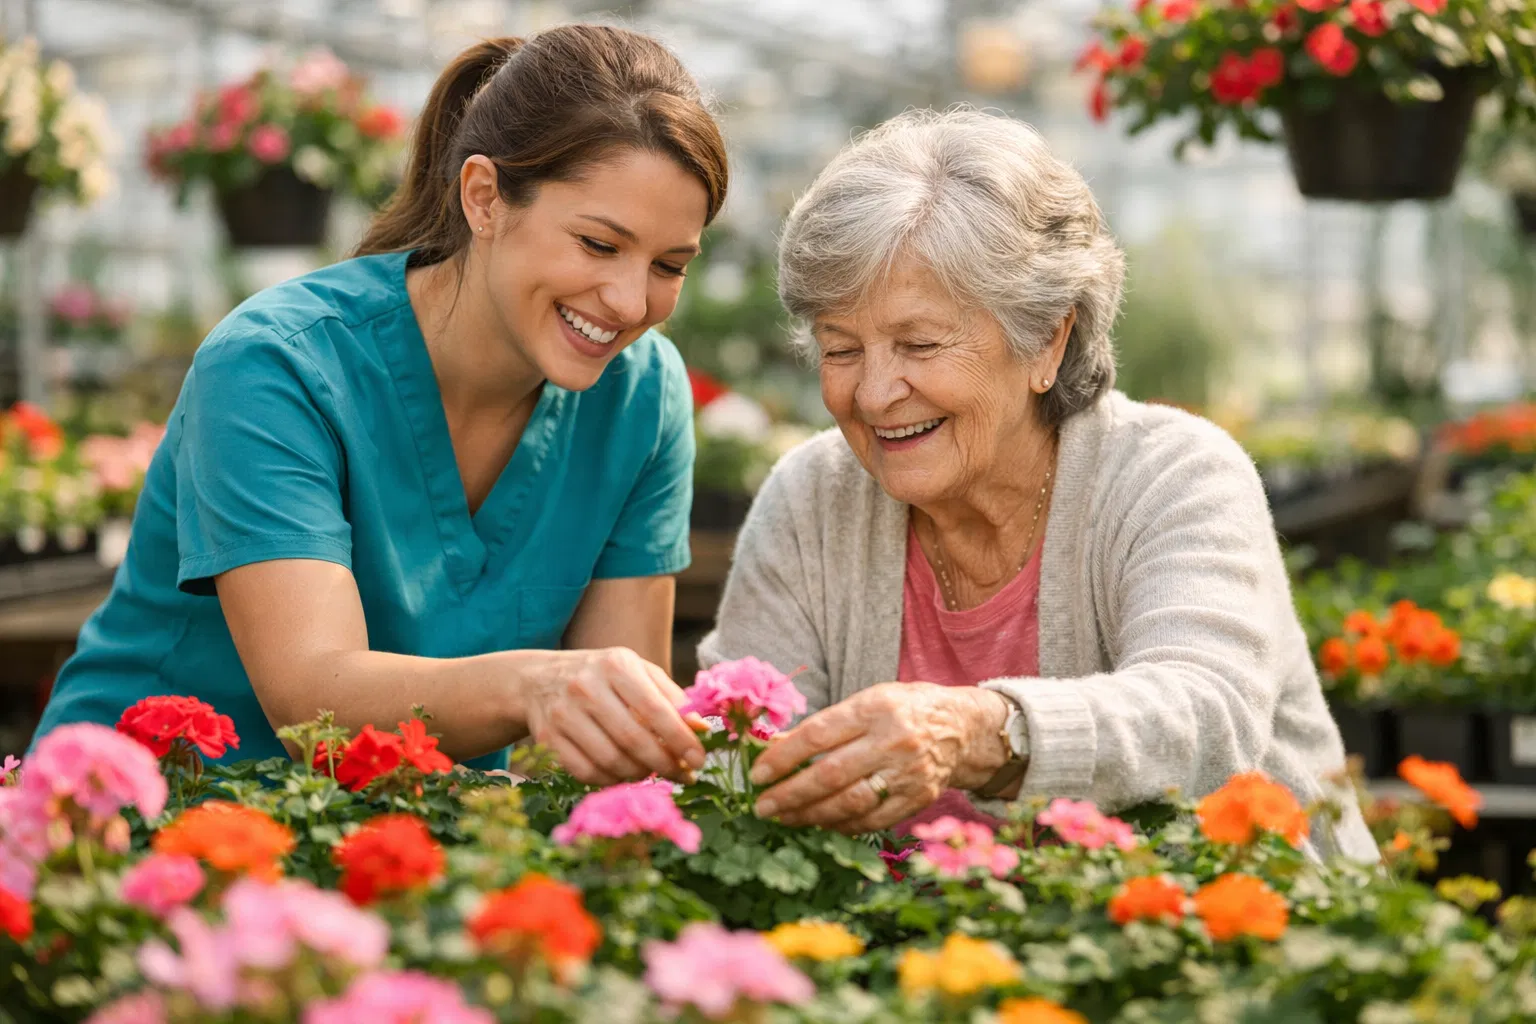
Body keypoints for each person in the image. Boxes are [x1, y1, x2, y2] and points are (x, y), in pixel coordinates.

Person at [33, 25, 729, 783]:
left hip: (412, 835)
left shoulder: (641, 396)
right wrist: (538, 686)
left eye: (669, 265)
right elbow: (314, 709)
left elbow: (615, 754)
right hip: (133, 824)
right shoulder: (276, 364)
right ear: (484, 198)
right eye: (598, 245)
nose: (631, 302)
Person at [700, 108, 1376, 859]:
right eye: (841, 348)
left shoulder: (1175, 474)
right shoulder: (811, 498)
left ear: (1048, 339)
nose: (874, 392)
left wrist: (988, 733)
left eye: (919, 344)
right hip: (909, 960)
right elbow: (739, 755)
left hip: (1232, 939)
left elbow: (1205, 718)